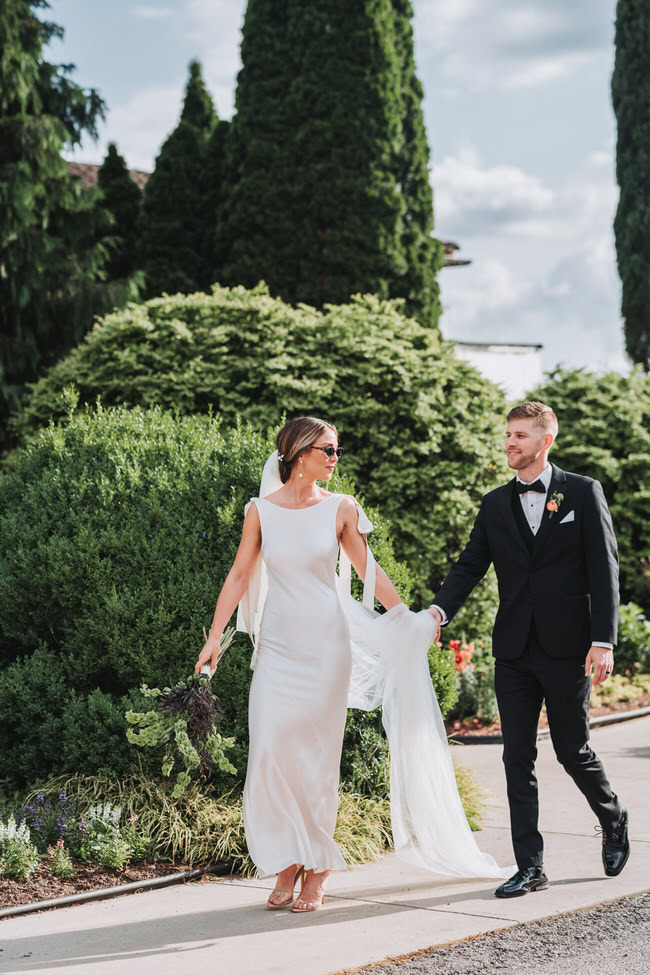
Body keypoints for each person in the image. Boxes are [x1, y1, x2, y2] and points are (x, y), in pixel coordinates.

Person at [196, 416, 509, 913]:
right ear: (299, 452)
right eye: (328, 449)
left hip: (326, 647)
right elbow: (238, 576)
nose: (335, 458)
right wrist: (215, 638)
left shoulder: (340, 509)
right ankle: (286, 861)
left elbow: (368, 570)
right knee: (271, 753)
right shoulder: (260, 512)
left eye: (337, 449)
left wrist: (406, 617)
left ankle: (317, 867)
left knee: (317, 760)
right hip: (277, 649)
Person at [427, 401, 630, 898]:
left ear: (546, 441)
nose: (510, 443)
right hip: (514, 650)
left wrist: (603, 641)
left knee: (571, 750)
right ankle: (530, 866)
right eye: (508, 434)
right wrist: (437, 613)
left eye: (520, 436)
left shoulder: (583, 493)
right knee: (516, 757)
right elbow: (470, 565)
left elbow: (605, 571)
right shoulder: (495, 503)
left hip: (568, 649)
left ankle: (613, 816)